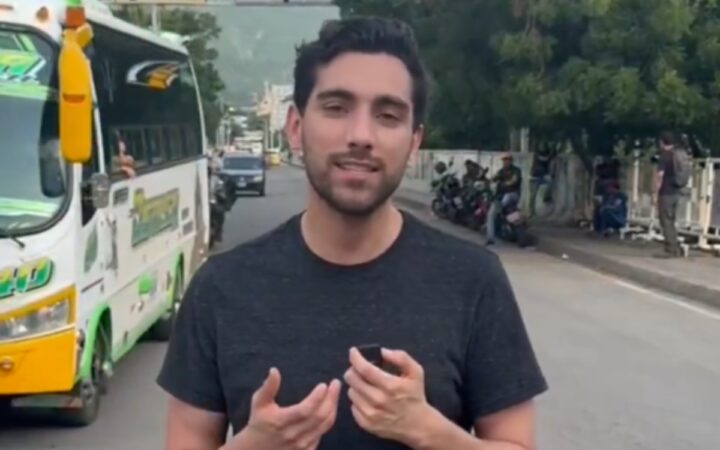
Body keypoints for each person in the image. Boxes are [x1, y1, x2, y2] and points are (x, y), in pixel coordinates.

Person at [157, 17, 547, 450]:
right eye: (336, 108)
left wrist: (432, 433)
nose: (361, 136)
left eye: (388, 115)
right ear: (295, 127)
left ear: (413, 142)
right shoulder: (220, 288)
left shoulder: (474, 281)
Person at [655, 131, 683, 257]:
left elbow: (659, 176)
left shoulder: (664, 156)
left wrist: (655, 191)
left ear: (662, 142)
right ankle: (675, 246)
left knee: (665, 221)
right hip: (676, 191)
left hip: (666, 192)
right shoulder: (677, 155)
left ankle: (671, 249)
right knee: (671, 220)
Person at [485, 153, 522, 245]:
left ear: (511, 161)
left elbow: (514, 180)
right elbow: (494, 178)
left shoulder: (516, 171)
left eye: (507, 160)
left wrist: (503, 184)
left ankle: (490, 237)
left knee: (492, 213)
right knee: (493, 212)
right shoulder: (501, 171)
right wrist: (488, 181)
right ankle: (494, 234)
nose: (506, 161)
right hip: (506, 196)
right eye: (504, 160)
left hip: (511, 194)